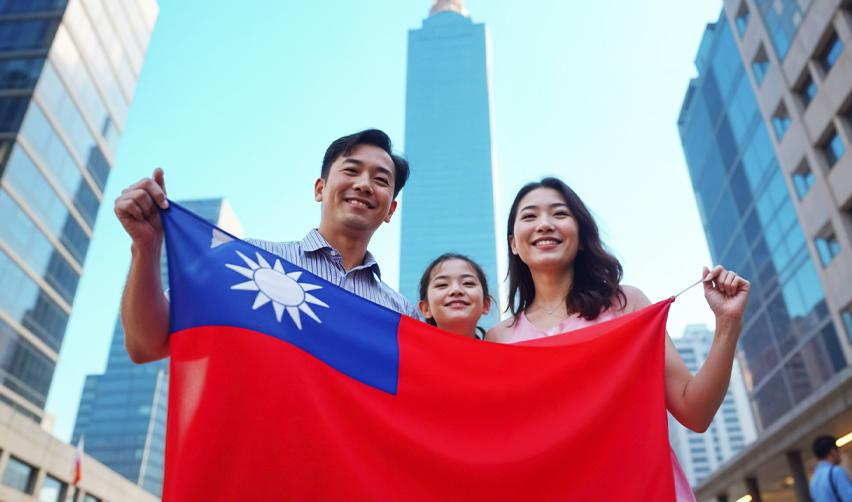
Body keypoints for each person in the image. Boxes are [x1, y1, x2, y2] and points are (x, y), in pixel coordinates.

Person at [486, 177, 750, 501]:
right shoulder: (499, 339)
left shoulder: (627, 304)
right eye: (529, 216)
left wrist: (727, 322)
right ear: (513, 243)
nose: (544, 224)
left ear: (581, 236)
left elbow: (695, 412)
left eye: (559, 214)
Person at [114, 128, 420, 363]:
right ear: (320, 189)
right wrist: (146, 247)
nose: (364, 185)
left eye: (380, 180)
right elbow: (146, 344)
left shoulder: (404, 317)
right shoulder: (245, 262)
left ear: (390, 210)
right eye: (351, 171)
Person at [417, 253, 492, 339]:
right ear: (426, 308)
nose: (456, 290)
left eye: (468, 283)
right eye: (442, 285)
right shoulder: (404, 352)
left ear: (485, 304)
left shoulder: (500, 351)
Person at [810, 435, 852, 501]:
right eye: (838, 450)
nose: (840, 454)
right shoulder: (836, 471)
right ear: (833, 451)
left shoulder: (813, 480)